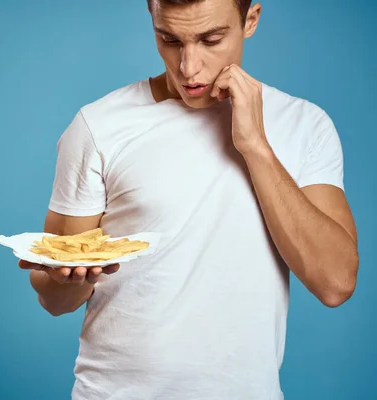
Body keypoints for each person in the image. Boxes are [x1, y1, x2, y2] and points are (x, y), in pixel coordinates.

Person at [19, 0, 360, 398]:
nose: (188, 66)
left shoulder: (304, 126)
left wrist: (255, 147)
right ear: (152, 19)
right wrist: (68, 279)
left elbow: (335, 283)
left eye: (210, 39)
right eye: (170, 40)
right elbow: (54, 298)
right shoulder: (99, 126)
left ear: (250, 21)